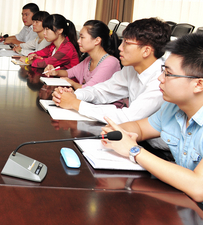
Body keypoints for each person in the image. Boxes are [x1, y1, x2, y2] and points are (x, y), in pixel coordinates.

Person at [100, 33, 203, 205]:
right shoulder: (173, 107)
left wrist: (134, 150)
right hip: (184, 204)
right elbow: (140, 128)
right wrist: (118, 131)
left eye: (168, 74)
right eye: (163, 70)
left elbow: (199, 188)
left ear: (199, 85)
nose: (160, 78)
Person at [52, 18, 171, 149]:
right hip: (134, 138)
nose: (120, 47)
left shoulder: (162, 79)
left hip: (159, 150)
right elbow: (102, 90)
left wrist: (76, 104)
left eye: (126, 43)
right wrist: (73, 95)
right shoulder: (131, 68)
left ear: (146, 51)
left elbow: (128, 117)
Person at [43, 20, 121, 89]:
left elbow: (89, 89)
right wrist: (55, 72)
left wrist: (72, 83)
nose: (78, 41)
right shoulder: (88, 60)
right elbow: (70, 72)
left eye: (82, 37)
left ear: (97, 40)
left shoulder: (110, 63)